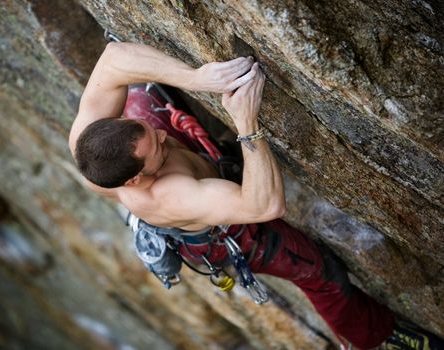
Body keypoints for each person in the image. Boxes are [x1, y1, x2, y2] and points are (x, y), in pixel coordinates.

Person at [68, 42, 443, 350]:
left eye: (148, 131)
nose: (162, 134)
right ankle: (374, 337)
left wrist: (196, 79)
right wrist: (247, 123)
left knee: (140, 93)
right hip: (225, 233)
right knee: (321, 273)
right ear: (135, 181)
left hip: (171, 170)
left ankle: (156, 129)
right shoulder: (173, 196)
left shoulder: (88, 142)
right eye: (157, 149)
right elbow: (264, 206)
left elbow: (114, 58)